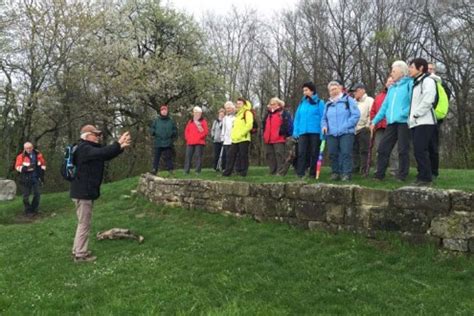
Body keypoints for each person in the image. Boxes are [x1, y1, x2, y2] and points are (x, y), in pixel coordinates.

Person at [70, 124, 131, 262]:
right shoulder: (84, 149)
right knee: (84, 224)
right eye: (95, 134)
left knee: (82, 223)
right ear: (87, 136)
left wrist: (119, 148)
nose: (98, 137)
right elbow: (102, 153)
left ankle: (77, 250)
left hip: (82, 192)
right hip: (83, 193)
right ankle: (80, 254)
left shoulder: (85, 148)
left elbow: (104, 154)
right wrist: (118, 143)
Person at [370, 60, 413, 181]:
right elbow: (384, 107)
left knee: (403, 149)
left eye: (394, 71)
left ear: (401, 71)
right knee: (383, 148)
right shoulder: (391, 88)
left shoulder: (409, 84)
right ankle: (379, 175)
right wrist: (374, 121)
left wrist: (404, 113)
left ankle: (402, 175)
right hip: (391, 122)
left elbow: (412, 102)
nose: (391, 73)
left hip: (404, 122)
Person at [322, 81, 361, 181]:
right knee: (332, 153)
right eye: (331, 90)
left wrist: (346, 126)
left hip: (346, 132)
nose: (333, 91)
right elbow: (324, 118)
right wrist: (324, 126)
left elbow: (356, 115)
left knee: (346, 153)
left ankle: (346, 173)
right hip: (331, 133)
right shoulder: (328, 104)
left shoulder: (348, 100)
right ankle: (335, 173)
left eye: (335, 89)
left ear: (340, 88)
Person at [408, 58, 437, 186]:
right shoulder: (416, 83)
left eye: (412, 67)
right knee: (418, 150)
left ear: (420, 68)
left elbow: (428, 100)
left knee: (421, 149)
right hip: (416, 122)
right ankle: (422, 175)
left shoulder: (428, 81)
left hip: (425, 121)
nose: (410, 69)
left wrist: (416, 114)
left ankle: (426, 178)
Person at [292, 82, 325, 178]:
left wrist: (323, 132)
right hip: (302, 132)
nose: (304, 92)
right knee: (301, 152)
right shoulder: (302, 103)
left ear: (312, 91)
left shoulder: (319, 102)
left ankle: (313, 173)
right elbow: (297, 118)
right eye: (303, 91)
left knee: (314, 152)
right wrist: (296, 131)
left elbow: (323, 117)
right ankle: (300, 173)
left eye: (306, 90)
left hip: (315, 131)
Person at [370, 76, 398, 175]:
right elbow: (373, 111)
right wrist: (373, 122)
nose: (390, 83)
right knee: (379, 149)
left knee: (394, 150)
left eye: (392, 81)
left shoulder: (396, 94)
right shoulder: (378, 96)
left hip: (391, 125)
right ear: (386, 83)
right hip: (379, 127)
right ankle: (379, 169)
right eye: (388, 81)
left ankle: (394, 170)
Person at [223, 98, 254, 177]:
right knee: (230, 155)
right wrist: (234, 135)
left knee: (243, 155)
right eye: (237, 103)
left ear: (244, 104)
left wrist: (242, 134)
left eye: (240, 103)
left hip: (244, 138)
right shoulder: (238, 114)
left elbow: (249, 125)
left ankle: (243, 172)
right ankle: (227, 172)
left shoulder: (247, 112)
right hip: (236, 139)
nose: (238, 105)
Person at [15, 142, 47, 217]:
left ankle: (34, 209)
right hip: (25, 179)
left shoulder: (38, 155)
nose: (28, 149)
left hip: (36, 178)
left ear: (32, 147)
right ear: (24, 148)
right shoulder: (21, 156)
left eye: (30, 148)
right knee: (26, 196)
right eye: (27, 148)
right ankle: (28, 210)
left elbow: (43, 164)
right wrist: (25, 169)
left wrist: (42, 175)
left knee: (37, 194)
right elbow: (17, 166)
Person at [262, 97, 292, 175]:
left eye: (274, 104)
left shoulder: (283, 113)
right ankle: (272, 171)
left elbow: (288, 124)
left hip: (279, 138)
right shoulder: (268, 114)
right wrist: (264, 135)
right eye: (271, 104)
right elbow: (264, 125)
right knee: (269, 155)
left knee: (280, 155)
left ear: (278, 105)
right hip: (268, 139)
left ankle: (280, 172)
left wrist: (285, 134)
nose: (272, 105)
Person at [351, 83, 374, 174]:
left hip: (364, 128)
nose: (354, 93)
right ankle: (355, 168)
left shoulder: (369, 100)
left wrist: (367, 126)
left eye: (356, 91)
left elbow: (371, 113)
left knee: (364, 150)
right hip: (354, 129)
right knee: (354, 150)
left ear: (362, 90)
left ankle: (364, 169)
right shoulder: (353, 101)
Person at [427, 62, 444, 179]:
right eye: (428, 69)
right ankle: (423, 170)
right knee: (422, 146)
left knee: (433, 146)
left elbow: (445, 97)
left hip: (434, 119)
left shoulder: (440, 83)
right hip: (422, 119)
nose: (430, 71)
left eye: (432, 69)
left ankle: (434, 171)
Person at [149, 104, 177, 175]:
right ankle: (154, 169)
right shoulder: (156, 121)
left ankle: (170, 169)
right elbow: (152, 129)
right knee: (156, 156)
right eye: (162, 110)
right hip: (158, 141)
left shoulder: (171, 121)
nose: (164, 112)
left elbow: (175, 130)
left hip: (168, 141)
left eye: (165, 110)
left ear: (167, 111)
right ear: (160, 112)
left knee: (168, 156)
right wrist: (154, 132)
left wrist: (172, 134)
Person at [184, 106, 209, 175]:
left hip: (199, 142)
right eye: (195, 112)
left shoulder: (203, 122)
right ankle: (186, 170)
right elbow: (186, 131)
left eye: (198, 113)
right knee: (188, 156)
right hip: (190, 142)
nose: (196, 114)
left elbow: (205, 132)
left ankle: (197, 171)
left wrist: (199, 138)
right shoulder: (190, 121)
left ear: (200, 113)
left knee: (198, 157)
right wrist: (188, 138)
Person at [219, 101, 236, 171]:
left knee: (232, 155)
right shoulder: (225, 118)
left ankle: (233, 169)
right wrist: (222, 137)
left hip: (233, 139)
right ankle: (226, 168)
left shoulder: (235, 117)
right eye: (226, 108)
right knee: (226, 155)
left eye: (229, 108)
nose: (228, 110)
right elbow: (223, 128)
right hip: (226, 140)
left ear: (232, 108)